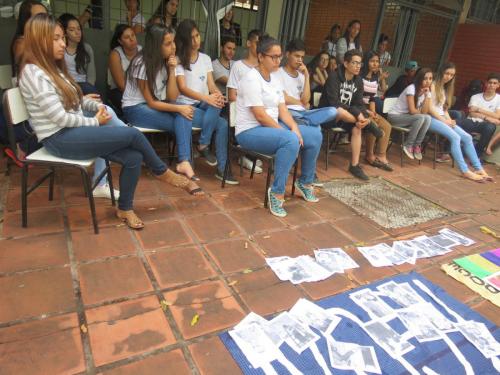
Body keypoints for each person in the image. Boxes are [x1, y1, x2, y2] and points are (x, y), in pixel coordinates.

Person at [19, 14, 203, 229]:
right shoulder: (34, 73)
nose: (63, 43)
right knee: (133, 134)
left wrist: (95, 107)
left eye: (62, 38)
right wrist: (95, 122)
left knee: (133, 157)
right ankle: (164, 173)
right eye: (56, 38)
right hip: (59, 138)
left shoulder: (53, 69)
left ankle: (125, 208)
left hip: (72, 132)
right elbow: (59, 117)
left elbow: (76, 100)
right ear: (40, 40)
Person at [235, 36, 323, 217]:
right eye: (273, 57)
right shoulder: (251, 78)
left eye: (279, 56)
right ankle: (276, 192)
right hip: (249, 131)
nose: (278, 61)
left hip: (269, 128)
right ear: (260, 56)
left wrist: (295, 128)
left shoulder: (275, 78)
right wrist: (286, 133)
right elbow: (259, 115)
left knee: (314, 135)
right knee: (289, 141)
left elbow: (283, 110)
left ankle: (305, 182)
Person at [121, 24, 198, 181]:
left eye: (174, 42)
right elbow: (150, 102)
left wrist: (171, 71)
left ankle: (184, 161)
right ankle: (185, 161)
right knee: (183, 117)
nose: (173, 47)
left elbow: (172, 97)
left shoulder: (167, 62)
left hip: (153, 105)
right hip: (134, 109)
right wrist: (179, 109)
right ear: (156, 45)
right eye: (168, 44)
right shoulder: (141, 63)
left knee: (184, 115)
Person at [175, 19, 237, 184]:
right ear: (184, 40)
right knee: (222, 124)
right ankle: (218, 164)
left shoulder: (205, 58)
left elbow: (210, 84)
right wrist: (207, 97)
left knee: (217, 100)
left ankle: (204, 146)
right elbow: (182, 88)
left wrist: (217, 94)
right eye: (191, 38)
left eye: (197, 35)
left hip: (204, 105)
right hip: (185, 106)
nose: (196, 41)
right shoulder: (179, 60)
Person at [277, 39, 338, 186]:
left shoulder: (301, 75)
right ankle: (308, 177)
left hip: (304, 114)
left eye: (302, 57)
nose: (299, 60)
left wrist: (307, 77)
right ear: (287, 54)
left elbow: (306, 99)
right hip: (288, 113)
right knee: (316, 131)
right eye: (296, 56)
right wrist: (299, 103)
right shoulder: (278, 73)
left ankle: (307, 176)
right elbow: (283, 98)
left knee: (333, 111)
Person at [319, 49, 383, 180]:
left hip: (346, 118)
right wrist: (358, 115)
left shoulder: (358, 81)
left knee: (357, 127)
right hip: (328, 115)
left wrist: (361, 115)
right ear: (346, 63)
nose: (358, 66)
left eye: (360, 63)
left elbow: (359, 104)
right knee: (340, 110)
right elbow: (334, 102)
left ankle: (354, 165)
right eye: (354, 63)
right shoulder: (334, 77)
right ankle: (368, 124)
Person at [427, 62, 492, 182]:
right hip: (430, 118)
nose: (449, 77)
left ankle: (478, 168)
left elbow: (443, 109)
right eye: (447, 73)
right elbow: (430, 109)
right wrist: (444, 121)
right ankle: (465, 171)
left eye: (451, 75)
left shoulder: (444, 89)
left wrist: (449, 120)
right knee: (456, 138)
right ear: (441, 72)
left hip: (442, 118)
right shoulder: (432, 85)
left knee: (467, 137)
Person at [227, 29, 264, 174]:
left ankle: (253, 154)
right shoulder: (238, 66)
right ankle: (246, 155)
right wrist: (248, 110)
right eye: (257, 43)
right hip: (243, 111)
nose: (260, 46)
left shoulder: (263, 68)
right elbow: (231, 95)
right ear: (249, 43)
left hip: (259, 111)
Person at [387, 68, 433, 160]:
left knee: (428, 118)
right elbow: (412, 111)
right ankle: (408, 145)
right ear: (419, 78)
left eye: (430, 78)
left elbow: (424, 112)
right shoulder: (411, 89)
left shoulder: (426, 92)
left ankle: (417, 145)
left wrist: (428, 95)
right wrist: (421, 113)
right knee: (420, 118)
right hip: (394, 117)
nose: (428, 81)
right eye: (425, 78)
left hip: (406, 118)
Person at [361, 51, 393, 171]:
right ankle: (369, 155)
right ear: (366, 62)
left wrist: (373, 113)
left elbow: (372, 98)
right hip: (359, 109)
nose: (375, 64)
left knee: (387, 126)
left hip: (369, 109)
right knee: (373, 125)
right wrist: (369, 113)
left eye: (377, 62)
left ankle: (381, 155)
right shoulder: (360, 77)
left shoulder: (374, 79)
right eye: (372, 61)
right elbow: (358, 98)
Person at [458, 73, 500, 158]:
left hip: (485, 125)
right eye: (490, 82)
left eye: (494, 83)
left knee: (490, 127)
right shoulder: (475, 97)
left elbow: (497, 116)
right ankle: (447, 151)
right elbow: (471, 113)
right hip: (471, 121)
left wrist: (478, 109)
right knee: (457, 123)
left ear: (498, 85)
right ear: (486, 83)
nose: (491, 85)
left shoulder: (499, 99)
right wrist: (486, 117)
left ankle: (477, 155)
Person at [59, 13, 98, 95]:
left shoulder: (87, 48)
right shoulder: (60, 48)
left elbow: (91, 76)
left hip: (84, 86)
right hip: (66, 85)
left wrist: (89, 88)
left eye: (79, 29)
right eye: (72, 30)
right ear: (64, 32)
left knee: (90, 91)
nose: (77, 33)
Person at [108, 24, 141, 114]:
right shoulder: (115, 54)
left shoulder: (142, 51)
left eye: (133, 35)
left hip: (141, 90)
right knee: (133, 108)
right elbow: (121, 85)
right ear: (120, 41)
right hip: (120, 91)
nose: (132, 39)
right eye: (127, 37)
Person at [10, 0, 48, 76]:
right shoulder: (21, 44)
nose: (45, 20)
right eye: (39, 17)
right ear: (26, 21)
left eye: (46, 17)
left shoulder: (45, 39)